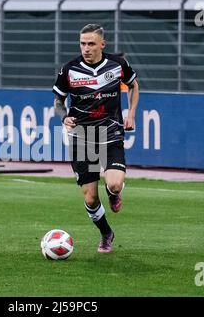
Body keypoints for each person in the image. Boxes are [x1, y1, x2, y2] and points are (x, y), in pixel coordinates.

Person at [52, 24, 139, 253]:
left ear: (102, 44)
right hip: (82, 136)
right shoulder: (69, 70)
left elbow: (133, 85)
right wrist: (64, 118)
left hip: (111, 132)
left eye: (91, 44)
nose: (86, 48)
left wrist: (131, 114)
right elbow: (58, 103)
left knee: (114, 183)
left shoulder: (117, 65)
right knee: (90, 199)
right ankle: (106, 233)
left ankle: (114, 193)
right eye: (82, 44)